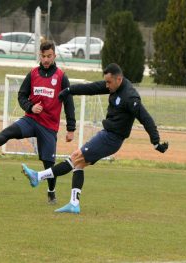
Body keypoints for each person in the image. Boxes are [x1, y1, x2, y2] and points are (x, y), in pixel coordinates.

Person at [21, 63, 168, 214]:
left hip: (111, 138)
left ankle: (38, 176)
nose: (106, 85)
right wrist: (69, 90)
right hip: (107, 134)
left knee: (75, 157)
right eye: (106, 81)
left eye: (109, 82)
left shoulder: (130, 96)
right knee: (79, 164)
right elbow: (91, 88)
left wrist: (156, 142)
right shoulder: (113, 85)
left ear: (119, 79)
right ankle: (74, 203)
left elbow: (146, 118)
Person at [0, 40, 76, 205]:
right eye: (43, 56)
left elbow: (69, 103)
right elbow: (21, 96)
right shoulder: (33, 74)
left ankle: (51, 192)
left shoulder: (61, 77)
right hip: (31, 120)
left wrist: (71, 128)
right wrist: (31, 107)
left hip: (49, 127)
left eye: (49, 56)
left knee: (48, 163)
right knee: (9, 132)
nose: (46, 60)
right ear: (39, 55)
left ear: (54, 55)